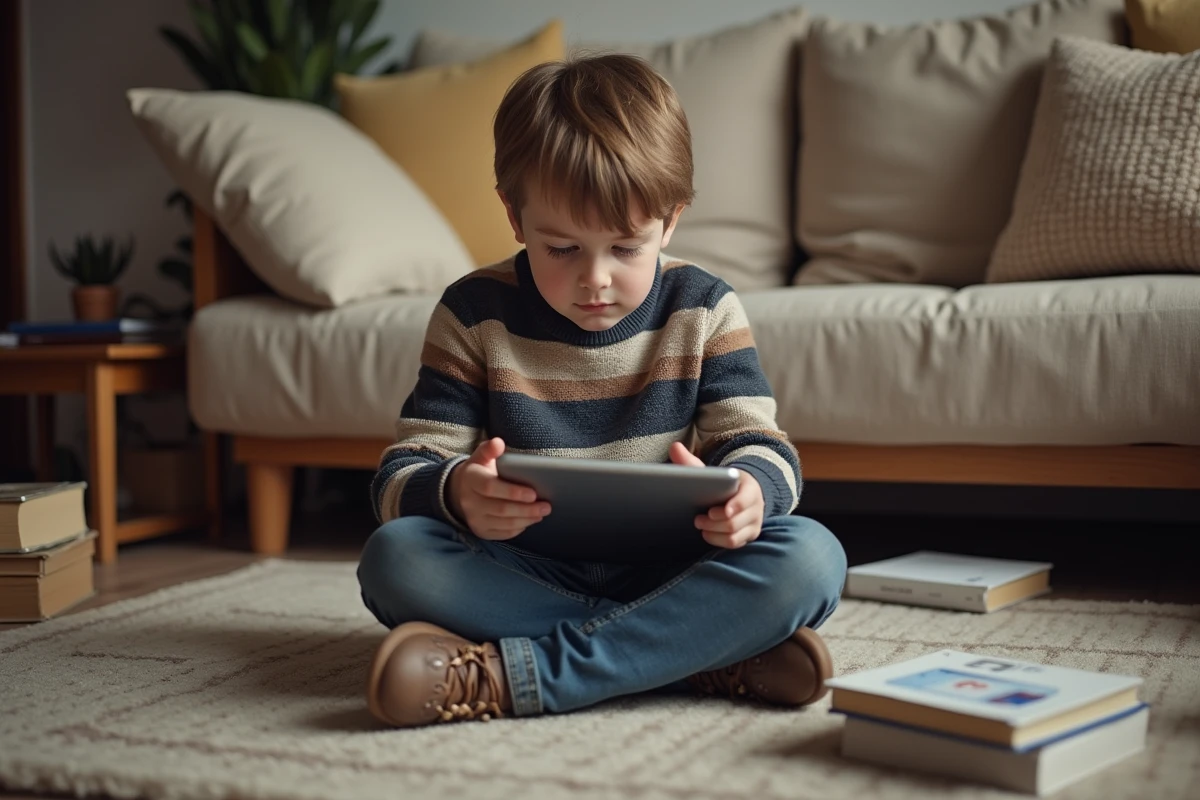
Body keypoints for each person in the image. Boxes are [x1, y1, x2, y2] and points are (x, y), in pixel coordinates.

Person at [356, 53, 847, 728]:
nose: (596, 280)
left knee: (813, 558)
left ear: (670, 222)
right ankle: (700, 653)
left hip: (671, 569)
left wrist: (751, 494)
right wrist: (458, 493)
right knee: (395, 560)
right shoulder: (472, 312)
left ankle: (513, 677)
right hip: (523, 570)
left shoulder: (704, 308)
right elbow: (399, 476)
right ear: (514, 216)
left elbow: (763, 447)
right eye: (561, 249)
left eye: (625, 248)